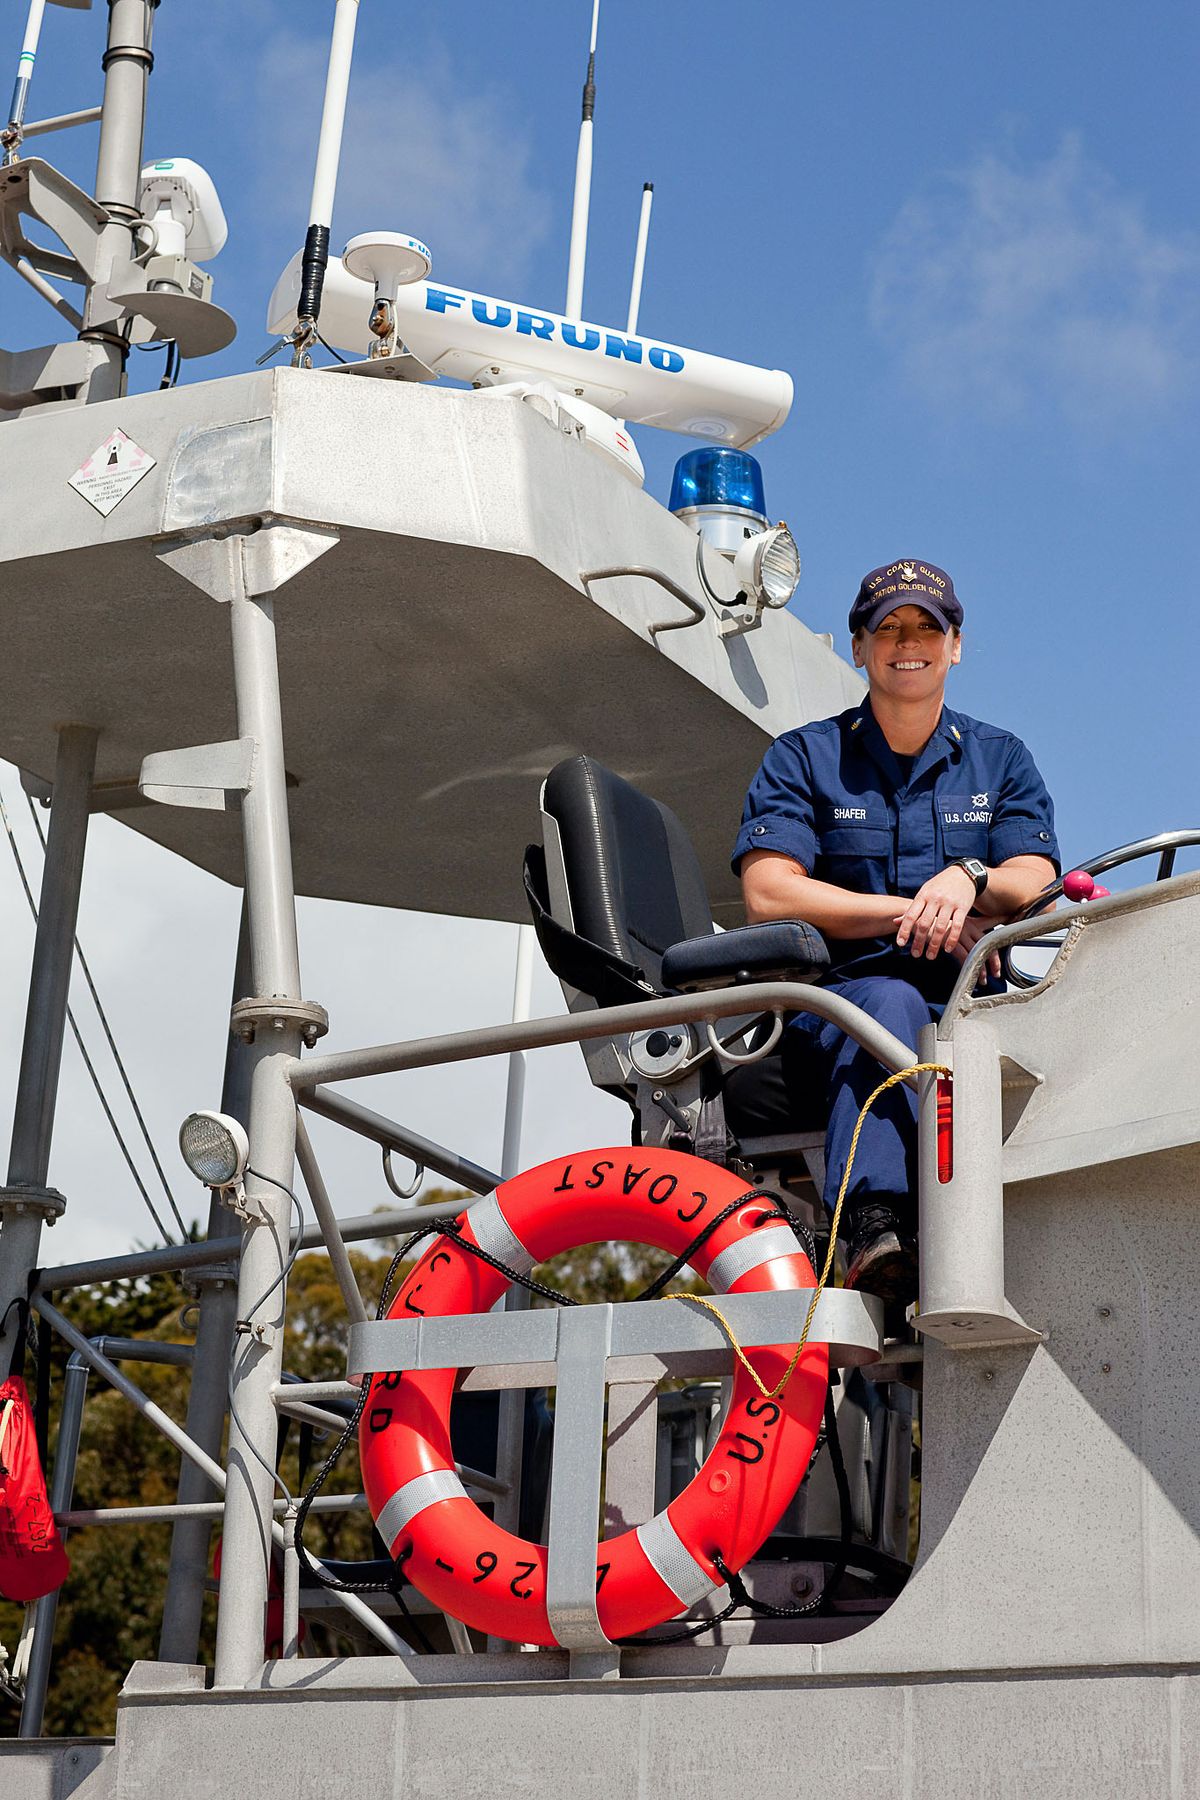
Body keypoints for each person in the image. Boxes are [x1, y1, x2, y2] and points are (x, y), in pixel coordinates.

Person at [731, 559, 1059, 1303]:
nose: (908, 643)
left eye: (926, 628)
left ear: (955, 646)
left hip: (972, 1003)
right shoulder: (804, 757)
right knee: (891, 1003)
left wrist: (967, 879)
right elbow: (767, 892)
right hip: (836, 1012)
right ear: (859, 647)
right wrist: (910, 912)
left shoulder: (1001, 758)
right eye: (888, 628)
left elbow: (1035, 879)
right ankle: (874, 1225)